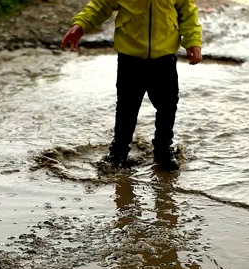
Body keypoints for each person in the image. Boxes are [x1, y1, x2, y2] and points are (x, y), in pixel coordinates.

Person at [60, 0, 203, 170]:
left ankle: (163, 150)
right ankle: (119, 152)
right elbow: (101, 5)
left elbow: (188, 12)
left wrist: (193, 41)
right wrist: (81, 25)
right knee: (126, 107)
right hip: (130, 57)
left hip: (164, 58)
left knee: (168, 105)